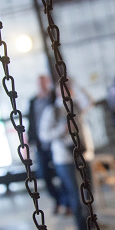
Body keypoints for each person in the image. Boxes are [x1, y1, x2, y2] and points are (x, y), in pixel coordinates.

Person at [38, 80, 94, 230]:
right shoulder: (52, 111)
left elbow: (89, 102)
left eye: (69, 89)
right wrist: (61, 130)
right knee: (75, 195)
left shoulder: (76, 106)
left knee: (88, 191)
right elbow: (44, 135)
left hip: (82, 154)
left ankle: (91, 224)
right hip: (64, 158)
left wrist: (76, 85)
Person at [27, 75, 66, 214]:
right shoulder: (33, 101)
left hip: (55, 142)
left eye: (43, 82)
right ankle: (58, 200)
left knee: (62, 173)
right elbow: (31, 122)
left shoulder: (54, 98)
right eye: (39, 83)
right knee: (44, 174)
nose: (41, 85)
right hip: (40, 144)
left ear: (47, 83)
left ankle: (66, 202)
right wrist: (30, 140)